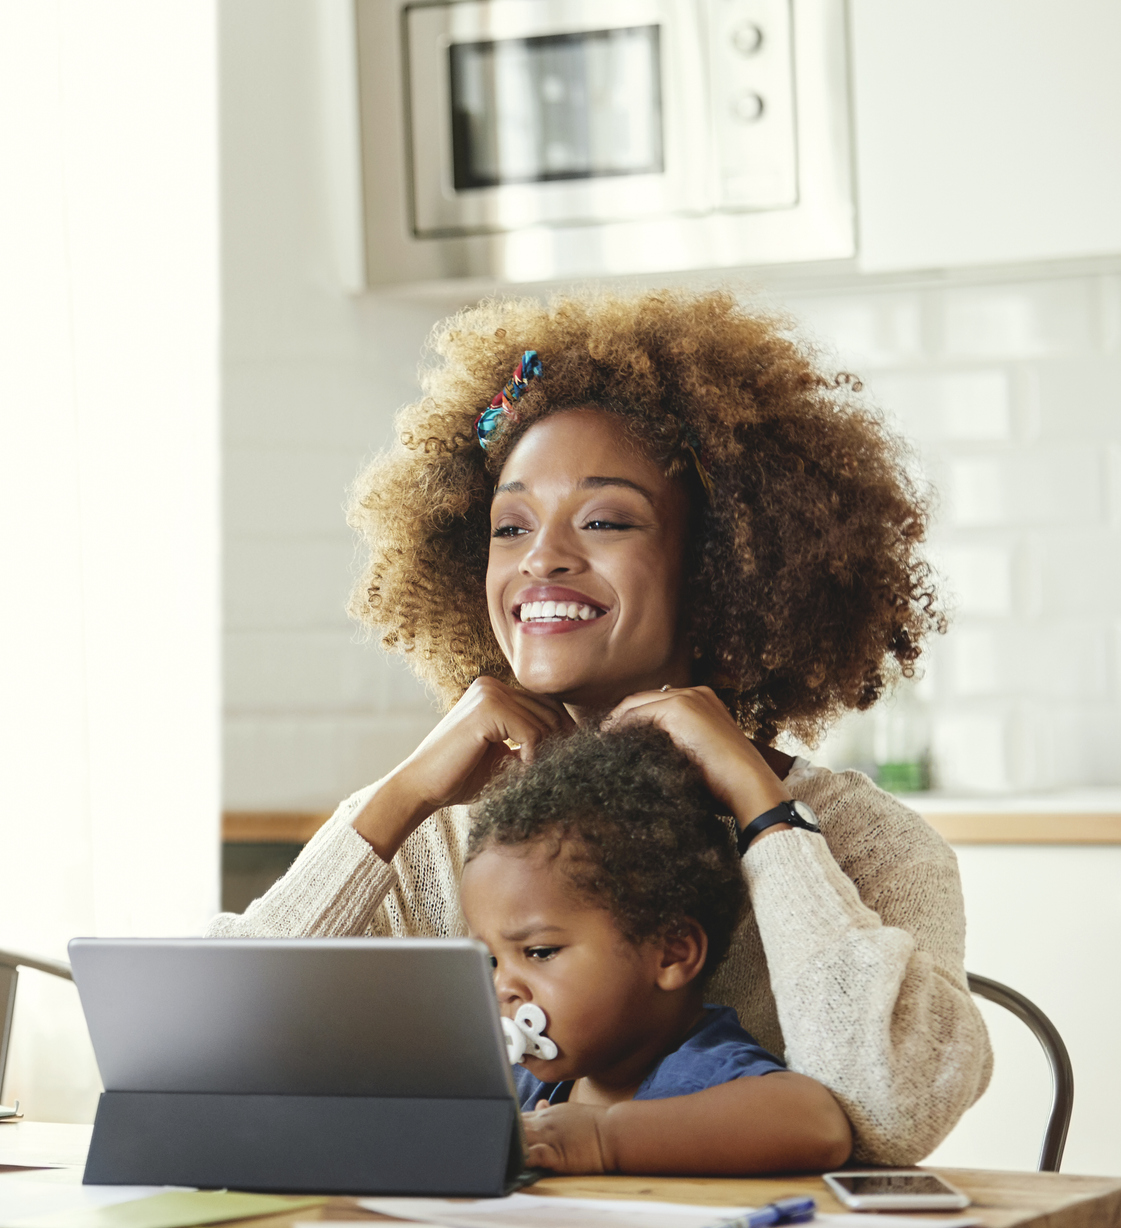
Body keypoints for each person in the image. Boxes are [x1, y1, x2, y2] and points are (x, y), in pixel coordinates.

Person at [213, 289, 991, 1166]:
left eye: (604, 519)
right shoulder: (444, 829)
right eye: (510, 527)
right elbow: (210, 1056)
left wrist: (759, 806)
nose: (541, 556)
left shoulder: (868, 845)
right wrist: (404, 794)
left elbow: (891, 1112)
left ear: (720, 565)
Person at [462, 724, 852, 1174]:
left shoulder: (702, 1072)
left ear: (672, 953)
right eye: (490, 960)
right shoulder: (521, 1082)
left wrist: (601, 1138)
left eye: (540, 952)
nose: (502, 987)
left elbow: (816, 1122)